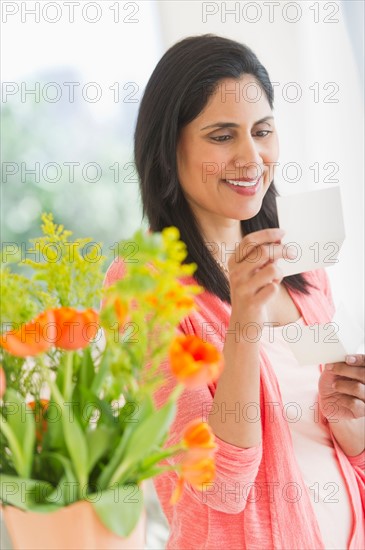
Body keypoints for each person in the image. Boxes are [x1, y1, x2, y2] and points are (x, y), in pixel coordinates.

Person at [105, 34, 365, 549]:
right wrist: (243, 321)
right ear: (169, 146)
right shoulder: (141, 285)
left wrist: (351, 417)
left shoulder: (303, 265)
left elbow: (341, 454)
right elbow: (216, 484)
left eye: (262, 131)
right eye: (222, 136)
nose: (252, 156)